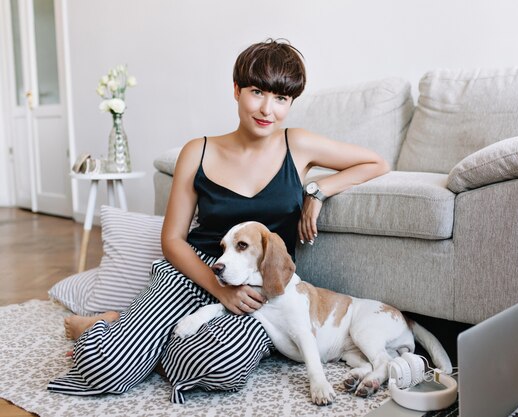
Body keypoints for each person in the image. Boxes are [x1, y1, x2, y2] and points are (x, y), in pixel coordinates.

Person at [49, 38, 389, 403]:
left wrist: (318, 191)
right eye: (257, 92)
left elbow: (376, 163)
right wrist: (219, 289)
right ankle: (105, 328)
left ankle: (140, 341)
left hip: (257, 296)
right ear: (236, 90)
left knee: (220, 366)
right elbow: (173, 240)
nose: (267, 109)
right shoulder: (198, 151)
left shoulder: (298, 144)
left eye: (281, 99)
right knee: (107, 366)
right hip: (191, 275)